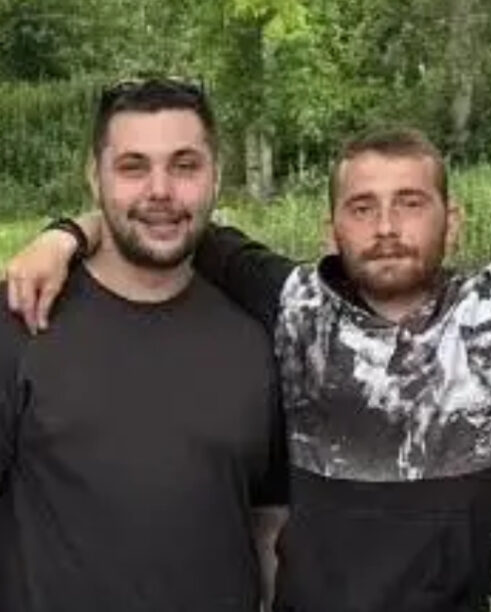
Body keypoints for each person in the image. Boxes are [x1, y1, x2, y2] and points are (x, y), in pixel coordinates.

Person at [5, 127, 491, 611]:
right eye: (362, 208)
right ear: (332, 227)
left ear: (453, 221)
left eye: (410, 203)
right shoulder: (289, 300)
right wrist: (66, 233)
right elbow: (166, 216)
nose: (386, 228)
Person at [0, 78, 288, 612]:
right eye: (133, 167)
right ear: (95, 178)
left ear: (216, 176)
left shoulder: (257, 337)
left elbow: (268, 524)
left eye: (185, 166)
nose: (160, 190)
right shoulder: (22, 319)